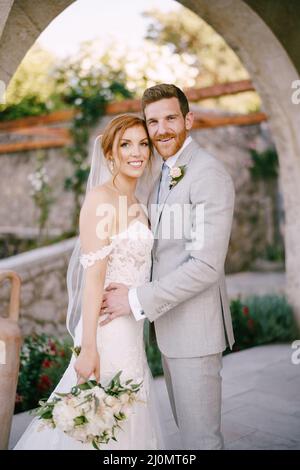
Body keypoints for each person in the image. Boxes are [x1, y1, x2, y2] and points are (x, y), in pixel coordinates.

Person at [14, 114, 164, 450]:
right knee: (95, 417)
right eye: (126, 144)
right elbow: (93, 280)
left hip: (131, 328)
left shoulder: (139, 204)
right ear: (110, 153)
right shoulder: (100, 200)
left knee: (128, 413)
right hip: (105, 330)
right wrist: (88, 348)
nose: (136, 152)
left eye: (143, 144)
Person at [99, 84, 236, 450]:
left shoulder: (208, 174)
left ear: (188, 119)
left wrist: (135, 298)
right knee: (186, 435)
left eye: (171, 118)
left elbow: (206, 265)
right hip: (170, 328)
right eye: (153, 121)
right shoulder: (162, 172)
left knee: (201, 440)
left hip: (195, 330)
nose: (161, 130)